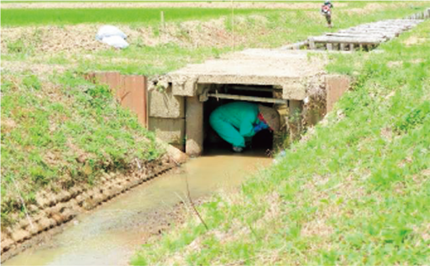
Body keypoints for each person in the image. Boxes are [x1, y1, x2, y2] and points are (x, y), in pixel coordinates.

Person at [209, 102, 280, 152]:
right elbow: (245, 132)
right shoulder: (251, 115)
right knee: (238, 140)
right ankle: (236, 154)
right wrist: (258, 128)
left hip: (227, 118)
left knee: (248, 139)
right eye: (268, 125)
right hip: (218, 118)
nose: (267, 128)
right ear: (262, 117)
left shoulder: (256, 111)